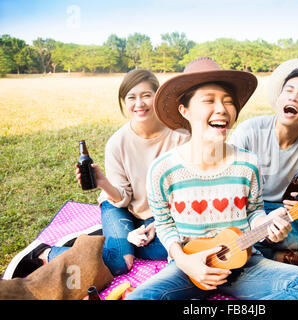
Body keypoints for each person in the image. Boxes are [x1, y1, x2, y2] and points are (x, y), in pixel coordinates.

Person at [125, 57, 298, 300]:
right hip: (187, 268)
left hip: (243, 264)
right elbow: (165, 224)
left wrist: (267, 225)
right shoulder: (163, 169)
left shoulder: (247, 164)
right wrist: (186, 262)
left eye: (228, 102)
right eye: (209, 100)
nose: (222, 109)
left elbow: (254, 211)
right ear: (185, 110)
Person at [4, 69, 189, 279]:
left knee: (176, 248)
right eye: (131, 97)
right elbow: (123, 197)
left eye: (146, 95)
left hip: (157, 215)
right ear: (123, 101)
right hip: (119, 204)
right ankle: (44, 252)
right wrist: (102, 182)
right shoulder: (117, 143)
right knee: (121, 261)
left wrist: (156, 225)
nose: (140, 103)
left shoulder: (180, 137)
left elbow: (184, 192)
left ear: (158, 97)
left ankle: (113, 240)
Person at [228, 58, 298, 266]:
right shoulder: (248, 132)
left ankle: (253, 250)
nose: (294, 97)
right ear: (279, 98)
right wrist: (258, 220)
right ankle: (273, 255)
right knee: (226, 229)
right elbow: (229, 189)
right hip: (246, 208)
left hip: (284, 213)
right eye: (289, 91)